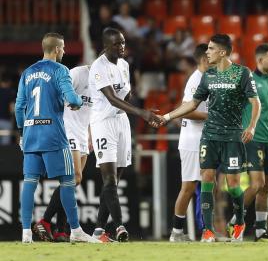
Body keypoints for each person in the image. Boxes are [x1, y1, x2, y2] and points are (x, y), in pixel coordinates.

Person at [156, 34, 261, 243]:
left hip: (232, 136)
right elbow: (192, 104)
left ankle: (239, 222)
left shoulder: (242, 73)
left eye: (211, 48)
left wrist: (251, 127)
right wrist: (167, 117)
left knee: (233, 183)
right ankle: (208, 231)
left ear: (222, 52)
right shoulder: (208, 75)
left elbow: (255, 102)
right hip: (209, 136)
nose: (207, 52)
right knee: (206, 179)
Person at [15, 33, 98, 243]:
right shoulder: (60, 70)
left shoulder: (27, 72)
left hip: (31, 133)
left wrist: (22, 131)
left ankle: (26, 233)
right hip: (53, 133)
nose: (65, 52)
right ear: (57, 49)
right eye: (63, 49)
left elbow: (19, 106)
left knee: (30, 183)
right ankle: (76, 231)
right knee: (69, 180)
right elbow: (71, 98)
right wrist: (77, 101)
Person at [89, 28, 161, 242]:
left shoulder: (124, 65)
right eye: (117, 44)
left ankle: (98, 231)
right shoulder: (98, 67)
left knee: (114, 182)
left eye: (123, 42)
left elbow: (125, 94)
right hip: (103, 123)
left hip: (121, 122)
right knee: (109, 179)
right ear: (106, 45)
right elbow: (111, 98)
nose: (122, 47)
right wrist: (142, 113)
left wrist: (134, 93)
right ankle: (120, 226)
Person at [232, 43, 268, 242]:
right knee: (257, 184)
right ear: (259, 60)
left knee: (266, 187)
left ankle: (260, 231)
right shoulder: (248, 81)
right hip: (252, 139)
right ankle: (236, 220)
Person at [34, 65, 93, 242]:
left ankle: (61, 230)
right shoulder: (78, 73)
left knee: (72, 182)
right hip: (68, 129)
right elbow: (57, 93)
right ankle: (44, 221)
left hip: (83, 132)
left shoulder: (103, 81)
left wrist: (91, 133)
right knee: (74, 177)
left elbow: (93, 110)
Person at [169, 44, 209, 242]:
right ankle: (176, 232)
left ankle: (205, 231)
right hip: (192, 141)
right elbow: (187, 109)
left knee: (208, 185)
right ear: (204, 59)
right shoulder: (196, 80)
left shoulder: (207, 78)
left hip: (202, 139)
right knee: (189, 187)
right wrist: (211, 117)